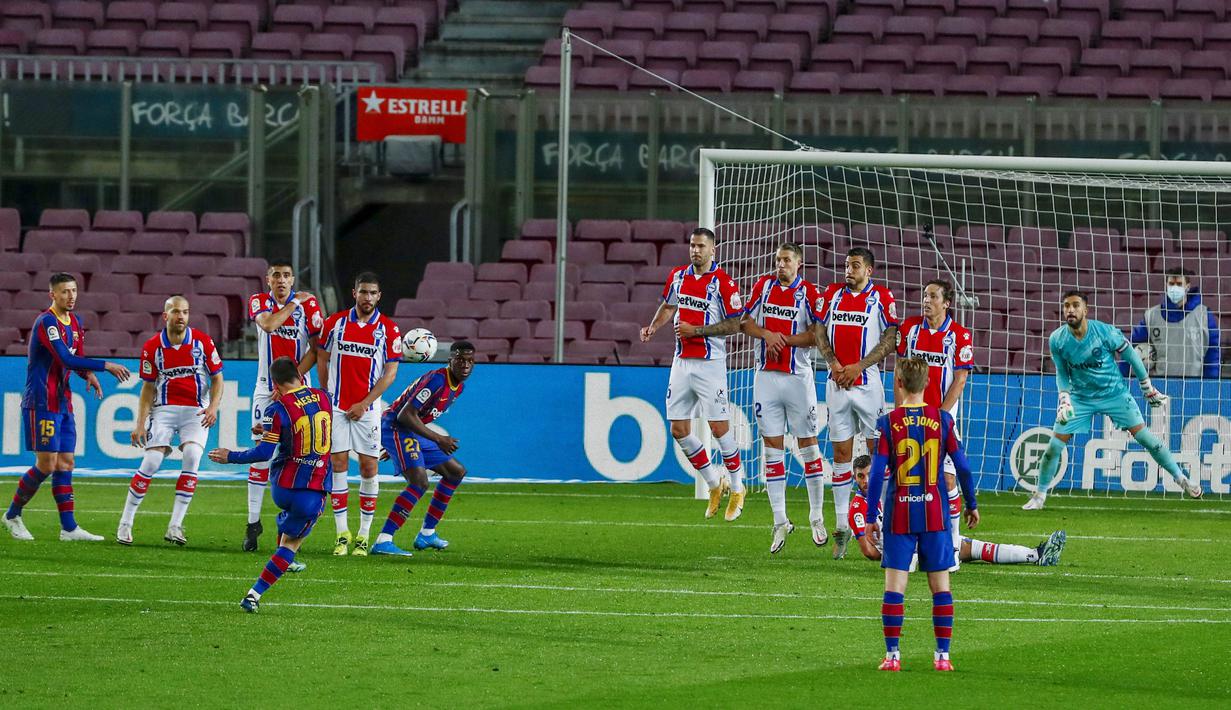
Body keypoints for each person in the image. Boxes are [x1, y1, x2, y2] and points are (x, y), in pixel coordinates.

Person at [1023, 290, 1203, 510]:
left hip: (1114, 394)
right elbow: (1061, 372)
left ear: (1085, 310)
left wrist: (1146, 386)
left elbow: (1132, 357)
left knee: (1147, 439)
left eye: (1075, 305)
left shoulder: (1105, 332)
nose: (1070, 310)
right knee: (1053, 446)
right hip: (1081, 398)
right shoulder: (1057, 339)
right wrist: (1064, 397)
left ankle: (1181, 478)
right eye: (1066, 306)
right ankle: (1039, 496)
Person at [865, 358, 978, 672]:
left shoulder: (888, 423)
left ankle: (892, 656)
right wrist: (972, 503)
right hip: (935, 513)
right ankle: (942, 657)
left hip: (900, 513)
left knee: (894, 588)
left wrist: (872, 513)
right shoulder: (943, 420)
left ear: (898, 383)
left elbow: (876, 475)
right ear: (928, 384)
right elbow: (964, 467)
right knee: (941, 588)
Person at [3, 272, 131, 542]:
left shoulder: (75, 322)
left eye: (73, 291)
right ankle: (12, 514)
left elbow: (75, 358)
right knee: (47, 464)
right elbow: (64, 357)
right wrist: (105, 366)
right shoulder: (46, 322)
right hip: (41, 401)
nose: (70, 296)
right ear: (53, 295)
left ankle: (69, 528)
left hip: (63, 401)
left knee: (66, 462)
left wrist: (89, 375)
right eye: (64, 292)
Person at [208, 357, 332, 613]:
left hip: (282, 486)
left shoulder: (276, 410)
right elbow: (308, 422)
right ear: (299, 374)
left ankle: (285, 536)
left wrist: (231, 456)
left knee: (288, 522)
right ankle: (254, 594)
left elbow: (264, 453)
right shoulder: (324, 398)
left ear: (274, 383)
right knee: (291, 545)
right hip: (311, 490)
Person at [639, 227, 747, 521]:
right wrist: (653, 327)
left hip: (710, 364)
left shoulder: (723, 283)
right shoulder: (678, 276)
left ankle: (738, 487)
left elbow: (736, 324)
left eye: (701, 246)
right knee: (678, 429)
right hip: (682, 362)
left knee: (718, 428)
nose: (695, 250)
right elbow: (669, 305)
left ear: (713, 250)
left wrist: (696, 331)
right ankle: (714, 483)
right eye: (692, 245)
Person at [741, 243, 830, 552]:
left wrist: (785, 340)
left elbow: (818, 334)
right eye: (778, 259)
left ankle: (816, 516)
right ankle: (780, 521)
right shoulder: (763, 286)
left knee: (808, 446)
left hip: (797, 379)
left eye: (787, 260)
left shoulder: (809, 293)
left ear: (798, 264)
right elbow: (744, 321)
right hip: (765, 377)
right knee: (772, 450)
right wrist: (767, 335)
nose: (781, 264)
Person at [117, 296, 224, 546]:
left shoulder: (202, 342)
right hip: (163, 410)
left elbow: (218, 378)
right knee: (151, 461)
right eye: (176, 312)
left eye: (185, 312)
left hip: (195, 410)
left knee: (192, 457)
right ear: (165, 316)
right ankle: (125, 522)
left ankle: (175, 525)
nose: (181, 317)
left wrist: (213, 407)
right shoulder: (152, 346)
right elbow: (147, 387)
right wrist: (140, 423)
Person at [814, 246, 898, 559]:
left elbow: (891, 338)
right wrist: (834, 363)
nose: (848, 270)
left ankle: (887, 519)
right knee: (840, 453)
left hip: (867, 385)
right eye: (847, 265)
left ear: (869, 271)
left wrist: (858, 367)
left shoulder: (882, 298)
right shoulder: (832, 294)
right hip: (836, 383)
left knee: (879, 452)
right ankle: (841, 527)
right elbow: (819, 331)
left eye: (856, 266)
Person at [849, 455, 1065, 567]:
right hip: (909, 549)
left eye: (868, 474)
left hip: (918, 540)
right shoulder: (858, 508)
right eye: (860, 476)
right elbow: (868, 551)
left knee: (968, 547)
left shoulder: (889, 488)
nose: (865, 480)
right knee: (965, 547)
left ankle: (1035, 555)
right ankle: (1035, 555)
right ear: (855, 478)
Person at [317, 271, 401, 556]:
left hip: (367, 409)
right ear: (354, 293)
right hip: (337, 406)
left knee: (369, 467)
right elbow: (322, 356)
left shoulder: (389, 330)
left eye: (373, 293)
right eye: (363, 292)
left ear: (379, 296)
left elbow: (390, 374)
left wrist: (365, 403)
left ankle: (364, 534)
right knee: (338, 463)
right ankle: (342, 533)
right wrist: (327, 393)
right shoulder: (334, 324)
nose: (367, 298)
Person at [243, 259, 323, 551]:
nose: (281, 280)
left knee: (298, 455)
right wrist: (294, 304)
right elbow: (268, 324)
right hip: (265, 390)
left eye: (287, 275)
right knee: (261, 455)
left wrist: (291, 383)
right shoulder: (259, 301)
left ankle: (287, 531)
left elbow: (316, 350)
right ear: (268, 280)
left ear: (292, 280)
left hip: (299, 391)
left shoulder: (311, 308)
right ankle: (253, 523)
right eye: (276, 275)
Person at [371, 341, 477, 557]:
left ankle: (427, 534)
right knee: (419, 482)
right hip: (396, 426)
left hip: (409, 432)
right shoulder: (437, 380)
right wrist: (439, 438)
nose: (465, 365)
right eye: (460, 360)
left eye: (470, 360)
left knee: (455, 472)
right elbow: (405, 415)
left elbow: (417, 417)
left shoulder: (459, 386)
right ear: (450, 360)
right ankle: (384, 540)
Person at [896, 279, 975, 566]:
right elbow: (900, 372)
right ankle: (916, 549)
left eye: (933, 296)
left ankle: (952, 547)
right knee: (913, 481)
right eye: (924, 294)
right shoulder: (909, 329)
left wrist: (940, 415)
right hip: (911, 415)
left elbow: (961, 379)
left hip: (942, 417)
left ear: (947, 303)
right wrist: (901, 410)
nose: (926, 300)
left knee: (946, 478)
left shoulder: (959, 336)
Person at [1129, 267, 1220, 378]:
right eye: (1171, 283)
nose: (1174, 287)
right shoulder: (1152, 316)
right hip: (1161, 385)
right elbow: (1130, 345)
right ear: (1166, 285)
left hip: (1195, 386)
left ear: (1187, 287)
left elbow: (1213, 352)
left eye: (1179, 284)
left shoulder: (1204, 315)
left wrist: (1211, 385)